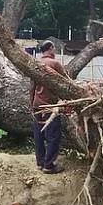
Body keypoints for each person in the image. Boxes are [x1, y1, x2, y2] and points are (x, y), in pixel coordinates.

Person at [30, 40, 67, 174]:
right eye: (54, 49)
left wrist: (31, 103)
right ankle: (49, 165)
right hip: (50, 106)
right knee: (53, 136)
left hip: (37, 104)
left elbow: (32, 86)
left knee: (38, 134)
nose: (55, 51)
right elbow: (67, 83)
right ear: (50, 49)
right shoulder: (55, 64)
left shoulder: (36, 64)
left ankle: (40, 162)